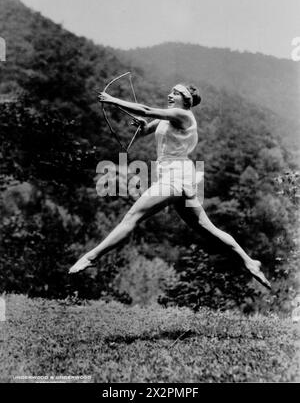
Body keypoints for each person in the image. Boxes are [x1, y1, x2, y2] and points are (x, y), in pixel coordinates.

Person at [69, 83, 271, 290]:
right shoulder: (169, 117)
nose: (169, 95)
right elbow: (146, 128)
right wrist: (141, 126)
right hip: (177, 175)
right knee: (206, 228)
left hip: (176, 175)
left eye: (175, 93)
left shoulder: (182, 115)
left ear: (186, 99)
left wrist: (112, 100)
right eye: (171, 92)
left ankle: (91, 256)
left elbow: (146, 110)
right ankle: (248, 260)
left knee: (132, 217)